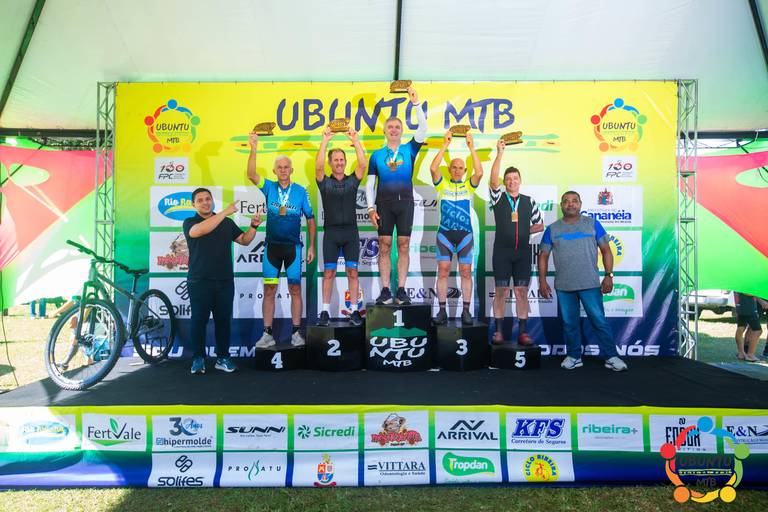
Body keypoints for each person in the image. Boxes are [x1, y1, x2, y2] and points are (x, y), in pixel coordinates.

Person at [538, 191, 628, 371]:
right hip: (564, 286)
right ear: (562, 206)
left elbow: (606, 250)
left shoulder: (593, 224)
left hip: (590, 284)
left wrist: (609, 275)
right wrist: (542, 281)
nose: (570, 204)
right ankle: (574, 356)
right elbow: (543, 256)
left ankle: (611, 356)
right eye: (566, 201)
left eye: (574, 201)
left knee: (599, 321)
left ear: (580, 204)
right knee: (569, 324)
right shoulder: (552, 229)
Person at [247, 133, 316, 348]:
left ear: (291, 170)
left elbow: (310, 218)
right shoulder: (269, 187)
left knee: (295, 290)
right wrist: (254, 147)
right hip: (272, 249)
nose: (283, 170)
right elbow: (251, 174)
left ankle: (296, 333)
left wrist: (312, 246)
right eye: (280, 167)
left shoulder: (300, 191)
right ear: (274, 171)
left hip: (293, 248)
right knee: (269, 290)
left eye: (287, 167)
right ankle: (267, 333)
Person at [183, 188, 261, 374]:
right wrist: (226, 212)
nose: (205, 202)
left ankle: (223, 358)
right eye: (200, 200)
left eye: (207, 199)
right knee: (199, 320)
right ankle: (198, 358)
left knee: (223, 321)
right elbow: (199, 231)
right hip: (199, 281)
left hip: (225, 281)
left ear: (212, 201)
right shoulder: (190, 222)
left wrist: (253, 226)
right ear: (193, 205)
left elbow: (244, 240)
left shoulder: (226, 222)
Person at [365, 86, 427, 305]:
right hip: (384, 204)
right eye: (390, 127)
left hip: (405, 204)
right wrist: (370, 209)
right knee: (384, 245)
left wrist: (415, 103)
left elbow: (424, 128)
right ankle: (385, 290)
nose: (393, 130)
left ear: (402, 131)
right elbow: (370, 184)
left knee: (403, 245)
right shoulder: (376, 155)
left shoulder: (410, 149)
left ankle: (401, 290)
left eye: (397, 127)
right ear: (384, 131)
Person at [489, 139, 543, 345]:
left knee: (521, 292)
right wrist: (499, 153)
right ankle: (498, 332)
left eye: (515, 178)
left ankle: (523, 332)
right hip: (502, 252)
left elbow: (539, 225)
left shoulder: (529, 201)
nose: (512, 181)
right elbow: (493, 181)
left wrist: (521, 231)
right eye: (508, 179)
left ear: (520, 181)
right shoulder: (498, 198)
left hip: (522, 253)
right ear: (505, 182)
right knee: (501, 291)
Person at [428, 130, 483, 325]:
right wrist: (445, 145)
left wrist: (471, 148)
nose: (457, 170)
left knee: (466, 272)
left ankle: (466, 311)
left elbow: (479, 173)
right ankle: (442, 311)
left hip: (465, 235)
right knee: (443, 271)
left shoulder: (469, 186)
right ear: (450, 169)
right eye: (454, 167)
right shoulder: (442, 185)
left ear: (464, 171)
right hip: (444, 235)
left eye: (461, 168)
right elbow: (433, 168)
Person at [315, 125, 366, 326]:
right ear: (330, 163)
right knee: (329, 273)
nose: (339, 163)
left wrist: (355, 141)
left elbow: (362, 164)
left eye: (341, 160)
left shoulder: (352, 181)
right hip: (331, 234)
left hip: (351, 233)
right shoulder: (324, 182)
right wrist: (325, 141)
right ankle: (325, 312)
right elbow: (318, 168)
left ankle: (354, 311)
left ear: (345, 162)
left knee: (353, 273)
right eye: (335, 160)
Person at [734, 292, 763, 362]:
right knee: (758, 330)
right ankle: (750, 354)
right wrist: (760, 294)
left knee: (740, 328)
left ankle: (741, 353)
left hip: (741, 306)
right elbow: (747, 292)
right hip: (748, 308)